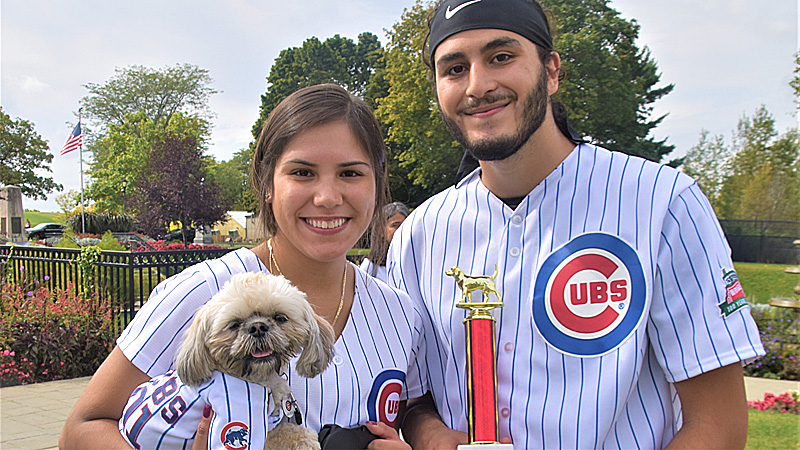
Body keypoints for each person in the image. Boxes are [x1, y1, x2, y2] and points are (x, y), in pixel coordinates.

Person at [388, 1, 765, 449]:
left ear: (551, 71)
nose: (478, 85)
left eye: (501, 57)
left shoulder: (662, 203)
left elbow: (717, 425)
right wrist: (431, 436)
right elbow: (410, 392)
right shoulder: (420, 234)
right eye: (454, 68)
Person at [60, 84, 426, 450]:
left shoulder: (399, 312)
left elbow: (416, 413)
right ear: (268, 184)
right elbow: (82, 430)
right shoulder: (203, 292)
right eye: (302, 173)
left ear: (377, 184)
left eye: (350, 174)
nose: (327, 197)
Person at [360, 201, 410, 283]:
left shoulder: (417, 263)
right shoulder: (370, 268)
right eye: (395, 225)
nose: (401, 229)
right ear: (381, 230)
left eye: (405, 225)